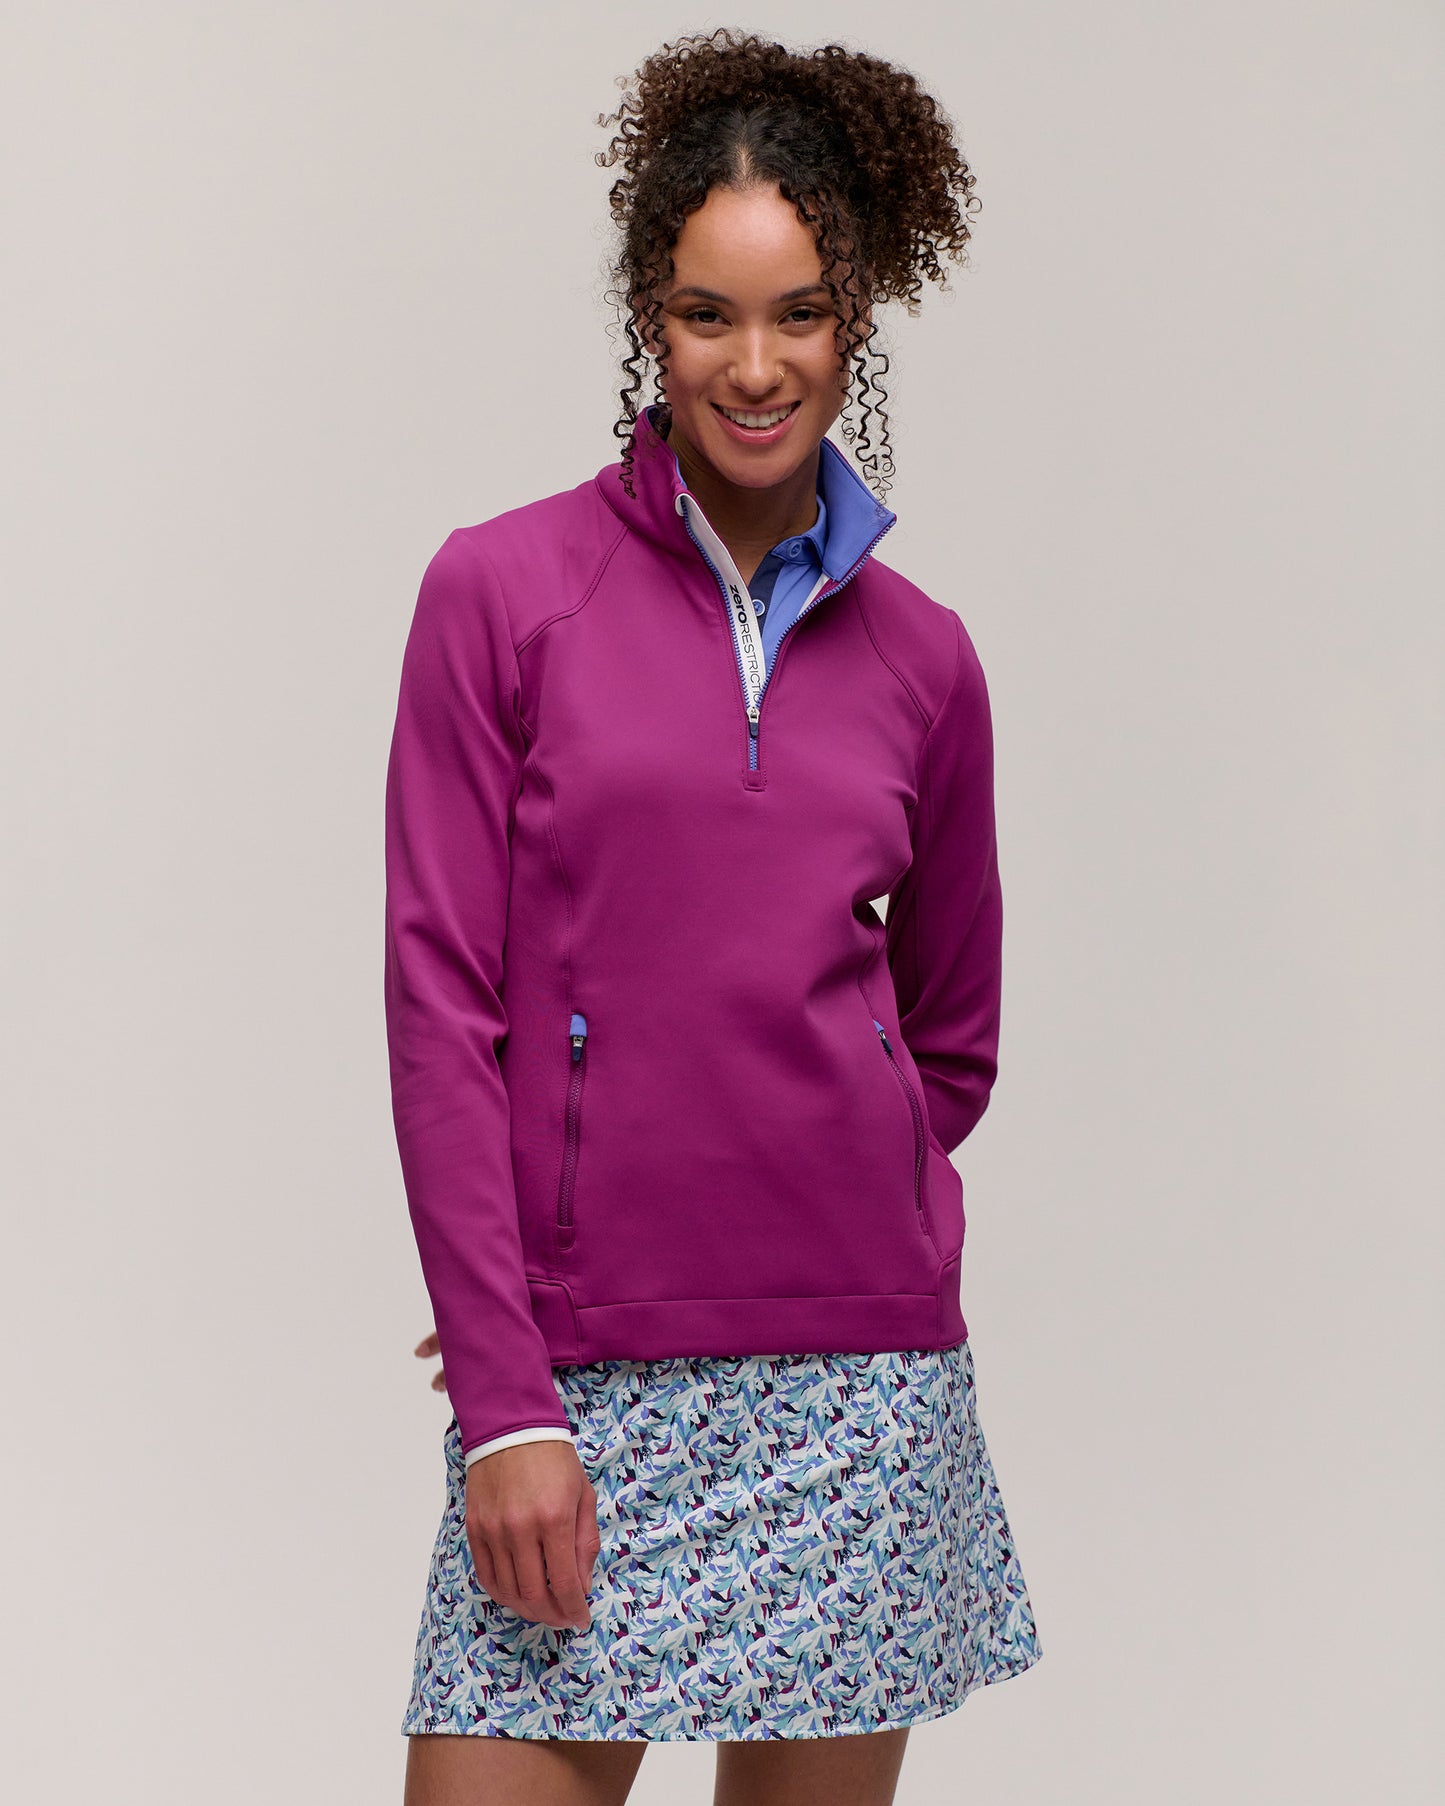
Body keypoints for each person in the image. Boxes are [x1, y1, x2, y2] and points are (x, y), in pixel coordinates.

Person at [383, 27, 1042, 1806]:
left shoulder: (926, 660)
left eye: (799, 314)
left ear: (855, 320)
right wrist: (512, 1358)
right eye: (706, 315)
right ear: (647, 320)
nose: (755, 368)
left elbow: (948, 1037)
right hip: (575, 1387)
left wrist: (745, 1198)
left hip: (857, 1382)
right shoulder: (502, 593)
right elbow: (440, 1005)